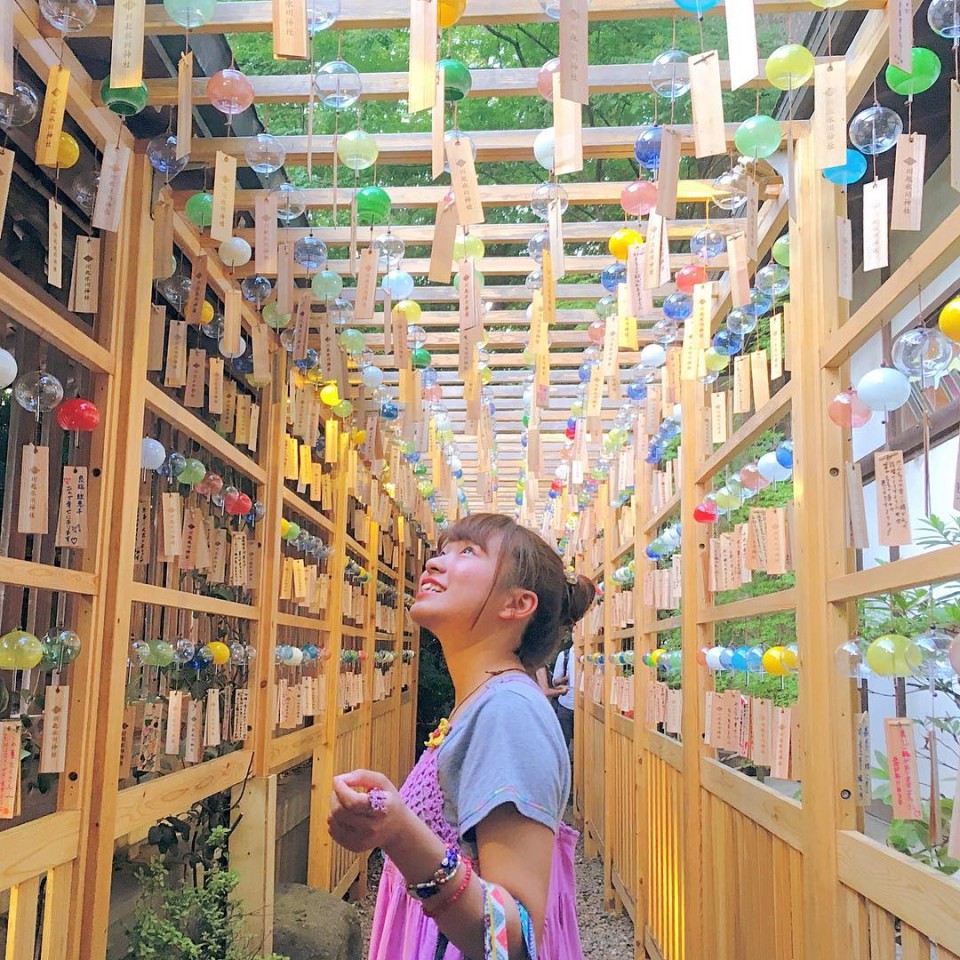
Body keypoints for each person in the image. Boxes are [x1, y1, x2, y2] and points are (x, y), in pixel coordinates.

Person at [327, 513, 595, 960]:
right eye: (443, 550)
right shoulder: (480, 702)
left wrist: (398, 834)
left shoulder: (508, 711)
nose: (434, 562)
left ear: (516, 605)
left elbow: (514, 937)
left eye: (468, 551)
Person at [551, 639, 575, 751]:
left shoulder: (591, 653)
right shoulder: (565, 655)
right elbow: (555, 682)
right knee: (563, 743)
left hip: (585, 706)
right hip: (566, 704)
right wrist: (566, 678)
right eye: (574, 630)